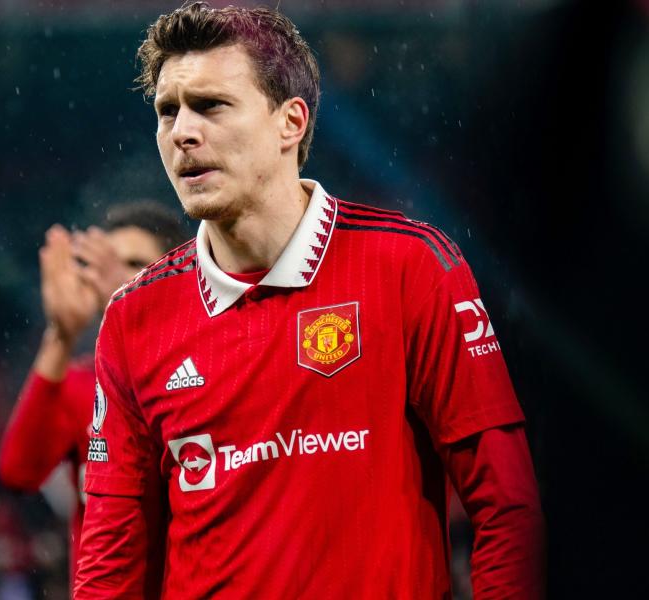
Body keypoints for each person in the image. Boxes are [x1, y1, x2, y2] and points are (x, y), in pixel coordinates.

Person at [76, 2, 545, 598]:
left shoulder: (411, 267)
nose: (183, 133)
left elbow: (506, 506)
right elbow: (110, 561)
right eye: (168, 112)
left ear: (290, 123)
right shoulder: (133, 318)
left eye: (211, 106)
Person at [0, 201, 184, 588]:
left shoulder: (213, 368)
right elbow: (19, 472)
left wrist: (139, 310)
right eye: (102, 266)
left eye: (134, 264)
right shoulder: (83, 382)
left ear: (180, 274)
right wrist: (61, 335)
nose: (113, 279)